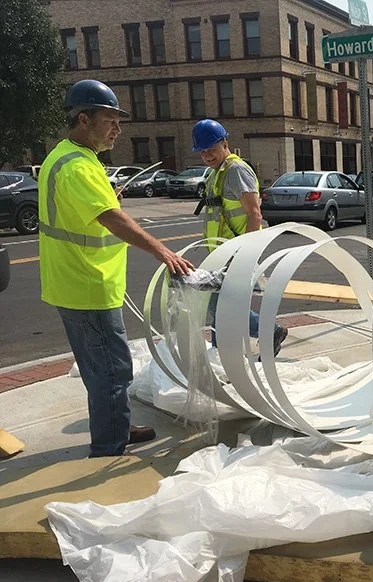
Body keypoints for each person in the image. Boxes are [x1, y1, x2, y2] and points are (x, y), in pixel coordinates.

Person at [38, 79, 195, 457]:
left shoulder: (67, 156)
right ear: (83, 118)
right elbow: (112, 218)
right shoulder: (77, 167)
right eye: (110, 120)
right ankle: (109, 447)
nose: (117, 129)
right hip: (86, 286)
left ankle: (117, 427)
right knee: (111, 371)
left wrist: (109, 195)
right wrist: (162, 251)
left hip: (81, 282)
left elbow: (90, 209)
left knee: (106, 367)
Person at [191, 119, 288, 356]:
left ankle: (231, 349)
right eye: (202, 152)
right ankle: (227, 351)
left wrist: (247, 252)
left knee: (220, 307)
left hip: (236, 253)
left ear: (224, 143)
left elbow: (254, 214)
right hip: (222, 253)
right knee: (223, 306)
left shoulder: (236, 170)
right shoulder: (217, 173)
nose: (207, 156)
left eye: (211, 150)